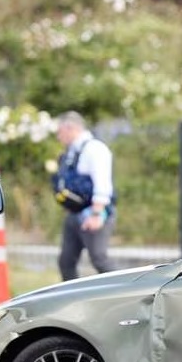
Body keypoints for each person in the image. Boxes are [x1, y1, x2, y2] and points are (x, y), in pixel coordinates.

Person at [51, 111, 115, 281]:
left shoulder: (94, 149)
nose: (58, 137)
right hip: (75, 214)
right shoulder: (72, 152)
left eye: (60, 132)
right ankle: (71, 298)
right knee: (66, 261)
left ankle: (127, 291)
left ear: (71, 128)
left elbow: (103, 183)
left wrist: (96, 214)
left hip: (92, 213)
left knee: (99, 260)